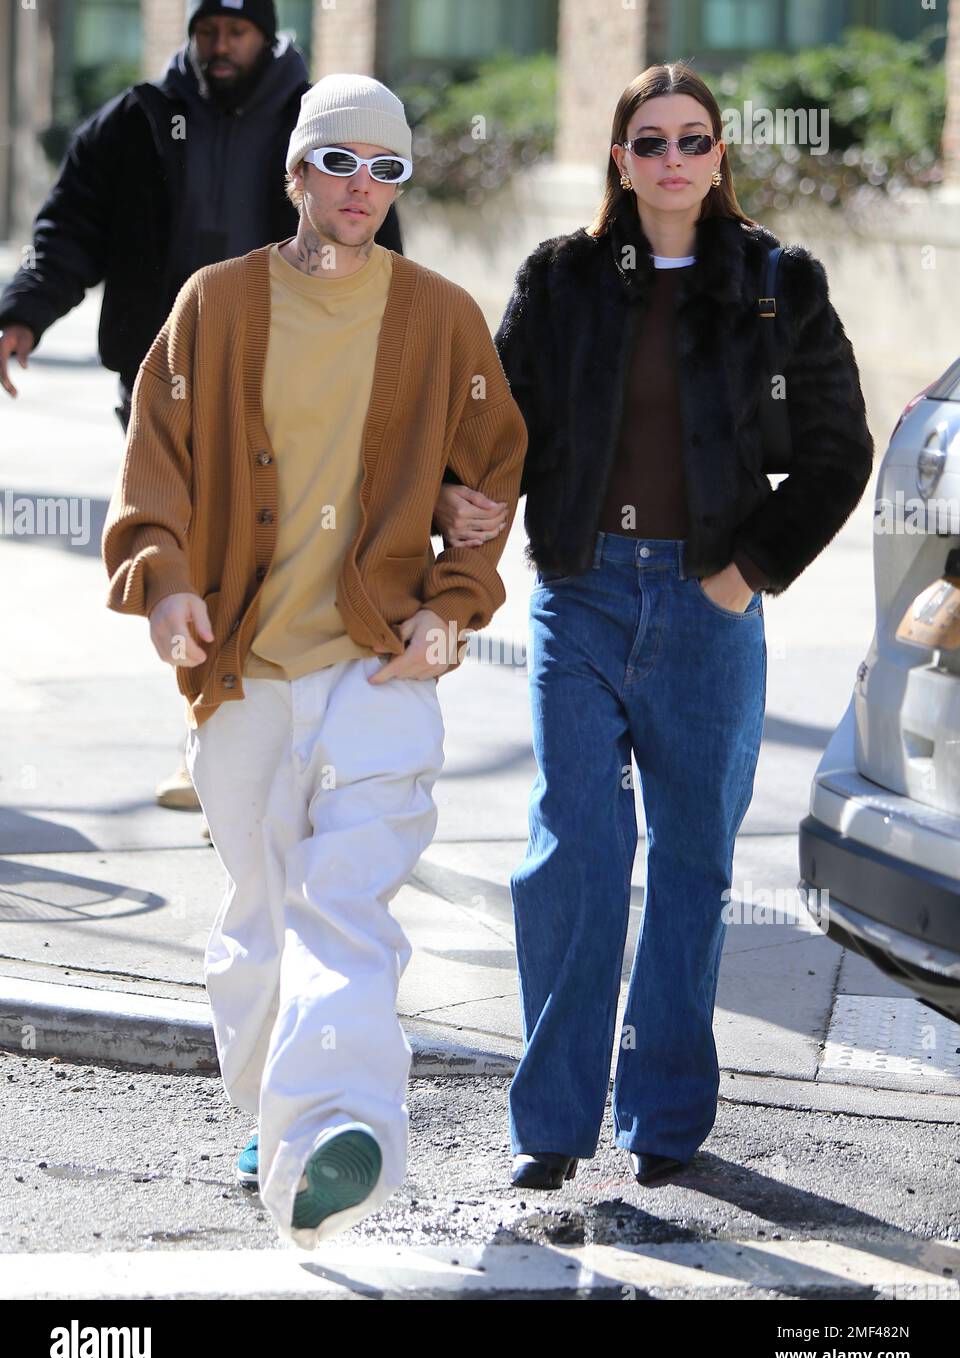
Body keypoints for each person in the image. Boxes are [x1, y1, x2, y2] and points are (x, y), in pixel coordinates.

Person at [101, 74, 526, 1247]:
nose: (363, 190)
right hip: (243, 663)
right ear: (295, 172)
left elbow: (492, 464)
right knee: (259, 913)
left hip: (376, 660)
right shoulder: (216, 304)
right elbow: (158, 459)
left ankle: (339, 1125)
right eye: (341, 163)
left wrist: (454, 597)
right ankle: (271, 1112)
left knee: (346, 896)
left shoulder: (441, 316)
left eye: (387, 171)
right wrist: (166, 578)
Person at [435, 61, 874, 1191]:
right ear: (619, 159)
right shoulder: (563, 277)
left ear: (720, 157)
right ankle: (552, 1117)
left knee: (691, 865)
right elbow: (494, 423)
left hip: (707, 606)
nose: (671, 160)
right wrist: (463, 495)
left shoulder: (779, 280)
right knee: (576, 852)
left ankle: (665, 1115)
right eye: (649, 141)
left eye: (692, 140)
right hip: (578, 595)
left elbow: (837, 451)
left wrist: (749, 572)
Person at [0, 0, 402, 821]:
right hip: (165, 386)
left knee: (275, 562)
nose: (220, 47)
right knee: (188, 560)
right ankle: (210, 732)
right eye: (207, 32)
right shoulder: (139, 121)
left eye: (237, 32)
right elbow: (69, 228)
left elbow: (375, 239)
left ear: (267, 36)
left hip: (292, 385)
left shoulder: (314, 120)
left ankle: (265, 739)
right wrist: (23, 311)